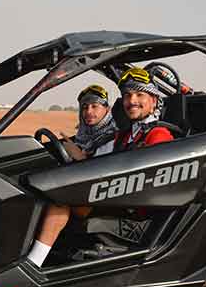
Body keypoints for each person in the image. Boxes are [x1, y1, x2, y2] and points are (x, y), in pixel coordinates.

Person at [26, 71, 174, 267]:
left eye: (139, 95)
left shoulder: (159, 135)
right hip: (113, 197)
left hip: (130, 208)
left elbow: (149, 181)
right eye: (128, 96)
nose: (132, 101)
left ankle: (32, 264)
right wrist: (78, 157)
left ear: (154, 101)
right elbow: (102, 165)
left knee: (60, 200)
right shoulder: (125, 135)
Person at [60, 84, 118, 160]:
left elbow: (103, 169)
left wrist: (80, 157)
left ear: (107, 109)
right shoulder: (84, 136)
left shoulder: (113, 138)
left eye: (94, 106)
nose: (88, 111)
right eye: (85, 107)